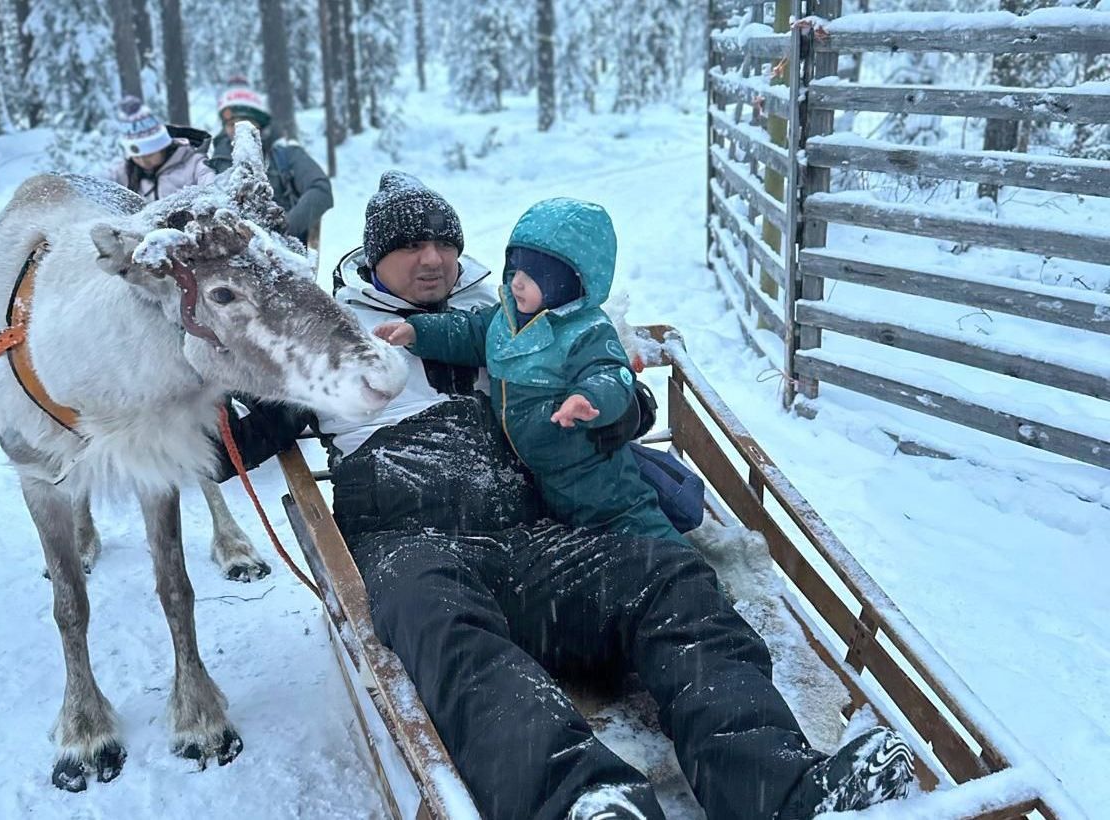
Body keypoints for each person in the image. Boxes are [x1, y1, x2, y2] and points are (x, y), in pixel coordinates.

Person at [218, 173, 915, 820]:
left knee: (667, 576)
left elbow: (618, 386)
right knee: (442, 624)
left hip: (530, 536)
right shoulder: (324, 334)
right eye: (408, 245)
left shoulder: (516, 317)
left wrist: (615, 414)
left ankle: (782, 788)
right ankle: (585, 801)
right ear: (375, 256)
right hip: (413, 541)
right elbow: (231, 445)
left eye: (443, 243)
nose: (431, 259)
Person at [374, 195, 682, 543]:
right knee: (589, 538)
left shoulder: (586, 331)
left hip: (589, 467)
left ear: (567, 283)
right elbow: (469, 332)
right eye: (515, 269)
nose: (517, 282)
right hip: (543, 474)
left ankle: (698, 583)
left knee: (634, 525)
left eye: (533, 276)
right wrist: (418, 332)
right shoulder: (506, 317)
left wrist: (587, 398)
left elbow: (609, 373)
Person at [207, 77, 332, 249]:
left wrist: (283, 230)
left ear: (259, 123)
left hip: (281, 254)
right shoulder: (215, 160)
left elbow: (321, 190)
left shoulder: (286, 154)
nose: (237, 129)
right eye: (230, 123)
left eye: (245, 122)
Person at [107, 96, 215, 200]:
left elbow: (212, 190)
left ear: (163, 146)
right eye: (137, 157)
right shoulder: (126, 171)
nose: (143, 161)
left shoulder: (194, 164)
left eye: (149, 154)